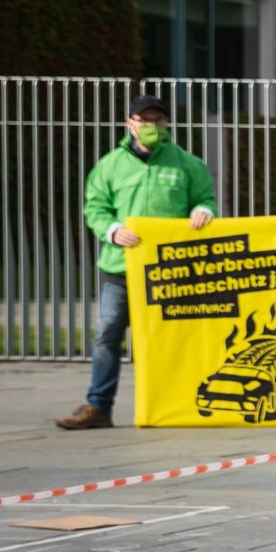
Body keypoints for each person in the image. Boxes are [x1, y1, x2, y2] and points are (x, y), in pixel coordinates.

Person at [58, 92, 214, 429]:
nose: (151, 126)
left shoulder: (188, 164)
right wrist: (113, 230)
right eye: (144, 120)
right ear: (130, 123)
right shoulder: (109, 165)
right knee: (108, 336)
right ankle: (98, 407)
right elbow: (95, 209)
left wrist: (203, 211)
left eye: (158, 120)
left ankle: (177, 405)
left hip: (170, 270)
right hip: (121, 267)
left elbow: (205, 199)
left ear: (167, 123)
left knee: (171, 338)